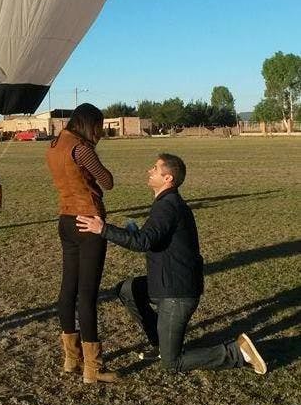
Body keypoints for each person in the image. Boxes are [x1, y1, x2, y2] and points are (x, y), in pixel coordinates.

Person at [76, 152, 267, 376]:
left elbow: (143, 242)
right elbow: (151, 238)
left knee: (172, 363)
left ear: (168, 179)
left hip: (177, 293)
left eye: (155, 169)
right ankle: (160, 343)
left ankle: (237, 352)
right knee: (128, 289)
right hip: (167, 282)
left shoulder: (168, 206)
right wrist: (135, 232)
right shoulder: (166, 203)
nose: (150, 171)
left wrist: (103, 229)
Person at [46, 103, 117, 384]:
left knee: (68, 291)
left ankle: (70, 359)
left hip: (65, 218)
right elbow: (108, 181)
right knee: (87, 296)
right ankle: (93, 368)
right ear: (90, 124)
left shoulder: (53, 145)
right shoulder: (81, 148)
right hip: (88, 219)